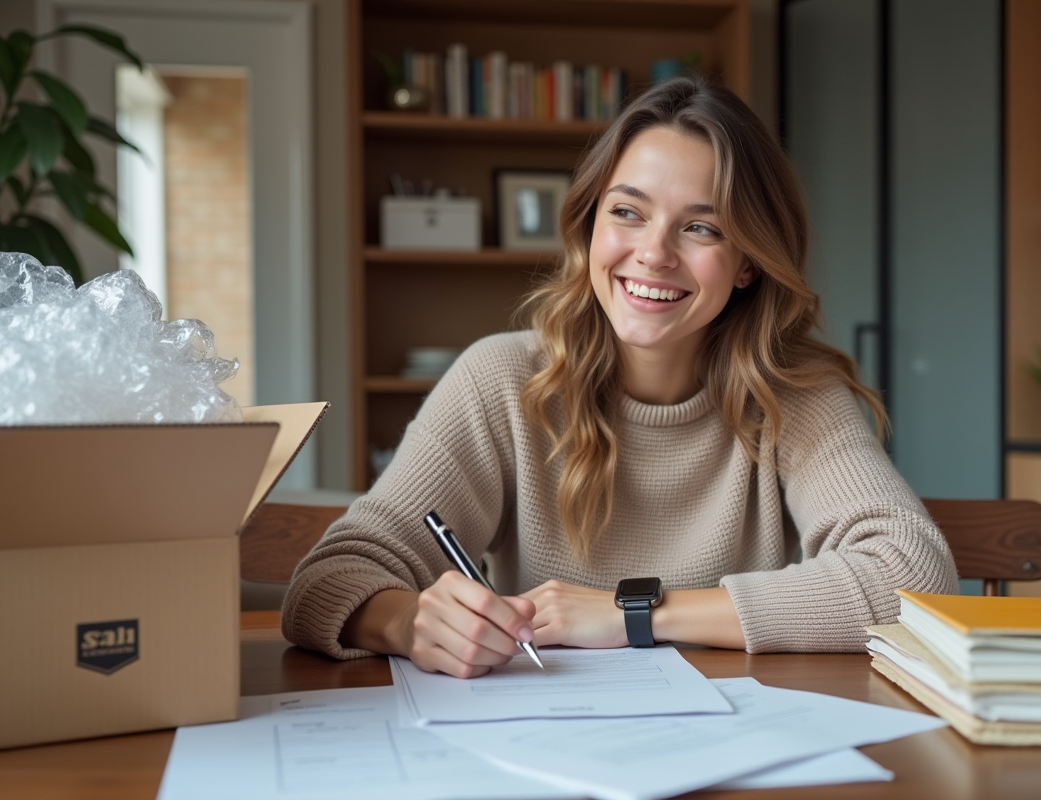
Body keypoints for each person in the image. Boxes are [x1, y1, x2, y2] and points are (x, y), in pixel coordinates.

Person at [282, 76, 957, 678]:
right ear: (590, 226)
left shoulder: (795, 395)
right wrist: (410, 623)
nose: (653, 253)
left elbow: (912, 578)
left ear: (749, 262)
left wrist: (633, 613)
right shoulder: (502, 379)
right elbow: (327, 581)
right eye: (627, 212)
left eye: (701, 228)